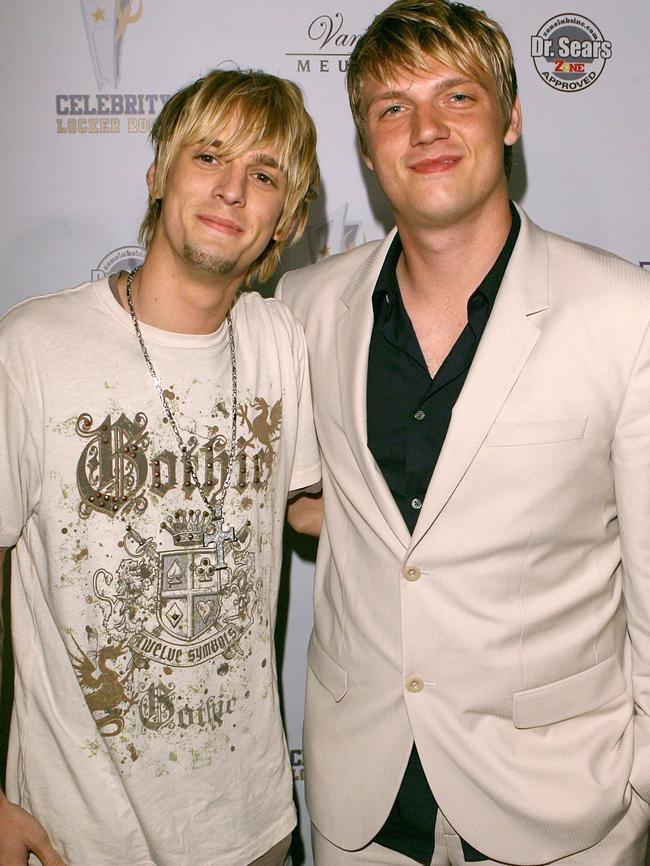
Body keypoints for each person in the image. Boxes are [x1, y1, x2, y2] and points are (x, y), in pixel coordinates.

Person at [278, 2, 650, 864]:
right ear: (367, 147)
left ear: (511, 118)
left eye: (459, 96)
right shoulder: (304, 308)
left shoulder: (624, 315)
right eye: (393, 108)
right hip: (359, 804)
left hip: (565, 808)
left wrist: (637, 791)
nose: (428, 129)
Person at [0, 67, 320, 866]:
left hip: (252, 829)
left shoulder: (279, 342)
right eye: (208, 156)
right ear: (157, 176)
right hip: (76, 834)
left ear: (284, 221)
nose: (232, 191)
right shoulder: (33, 348)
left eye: (263, 174)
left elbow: (314, 508)